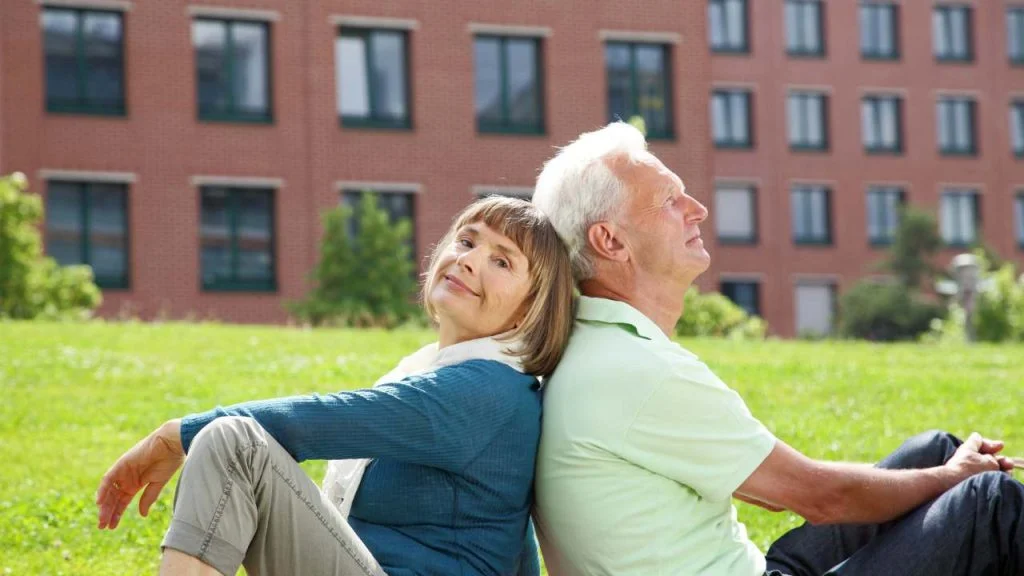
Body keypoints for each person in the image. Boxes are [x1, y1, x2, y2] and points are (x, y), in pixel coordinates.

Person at [531, 122, 1024, 576]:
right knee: (988, 504)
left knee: (933, 452)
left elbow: (766, 491)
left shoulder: (600, 351)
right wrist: (951, 478)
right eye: (669, 201)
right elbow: (820, 497)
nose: (697, 209)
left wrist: (942, 469)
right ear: (610, 241)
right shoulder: (636, 371)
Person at [95, 196, 575, 576]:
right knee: (232, 443)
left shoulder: (491, 389)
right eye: (467, 241)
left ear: (533, 308)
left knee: (232, 442)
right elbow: (515, 540)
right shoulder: (436, 373)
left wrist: (176, 435)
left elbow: (321, 421)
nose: (470, 260)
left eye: (503, 262)